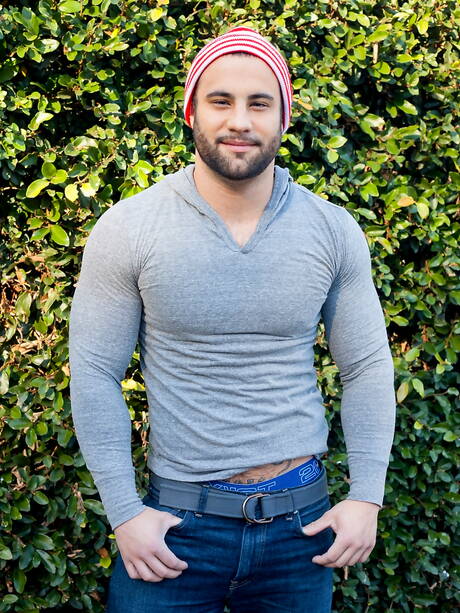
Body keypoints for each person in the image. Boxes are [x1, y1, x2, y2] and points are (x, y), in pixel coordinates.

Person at [69, 26, 396, 613]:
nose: (239, 120)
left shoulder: (332, 230)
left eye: (259, 103)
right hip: (173, 530)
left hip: (302, 531)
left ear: (284, 117)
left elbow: (368, 366)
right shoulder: (129, 228)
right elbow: (94, 372)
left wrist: (367, 497)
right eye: (221, 101)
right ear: (192, 111)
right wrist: (124, 513)